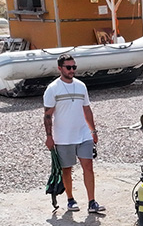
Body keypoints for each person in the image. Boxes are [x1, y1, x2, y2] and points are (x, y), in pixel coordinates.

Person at [43, 55, 105, 215]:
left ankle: (92, 202)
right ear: (60, 68)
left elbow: (87, 110)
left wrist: (93, 130)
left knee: (88, 167)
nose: (72, 70)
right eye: (68, 67)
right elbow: (48, 115)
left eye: (74, 67)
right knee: (66, 169)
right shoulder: (52, 89)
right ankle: (70, 199)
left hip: (83, 134)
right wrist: (49, 137)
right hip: (63, 137)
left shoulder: (81, 86)